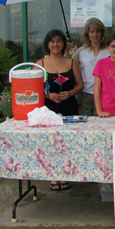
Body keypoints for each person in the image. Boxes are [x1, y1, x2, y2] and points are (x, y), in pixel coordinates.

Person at [36, 29, 83, 192]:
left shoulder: (71, 62)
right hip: (48, 110)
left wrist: (69, 93)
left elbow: (80, 85)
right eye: (52, 41)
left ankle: (65, 174)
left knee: (67, 142)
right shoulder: (40, 64)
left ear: (64, 44)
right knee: (50, 143)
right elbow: (34, 87)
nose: (56, 44)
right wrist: (48, 95)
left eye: (59, 41)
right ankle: (53, 176)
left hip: (69, 107)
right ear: (47, 44)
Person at [72, 18, 110, 116]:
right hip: (85, 94)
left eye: (98, 31)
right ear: (87, 34)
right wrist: (67, 51)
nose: (95, 34)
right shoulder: (81, 51)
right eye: (92, 31)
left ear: (102, 33)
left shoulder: (109, 51)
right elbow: (70, 66)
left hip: (104, 94)